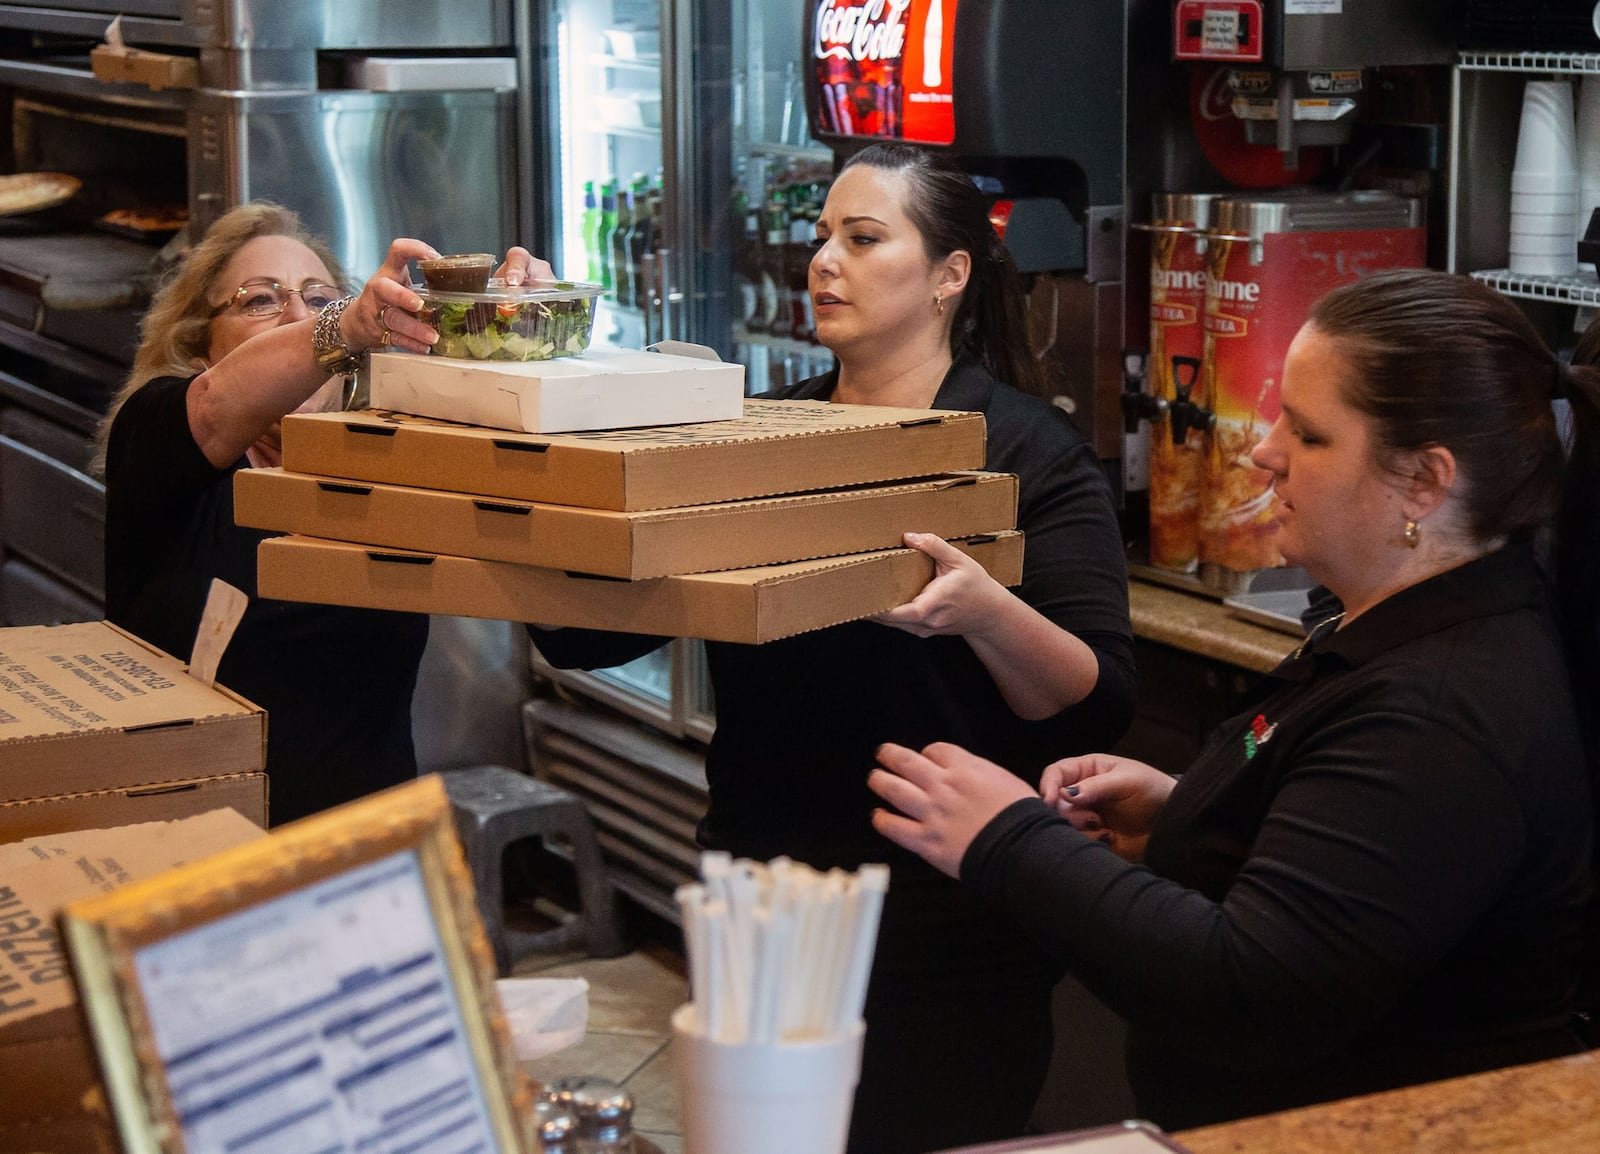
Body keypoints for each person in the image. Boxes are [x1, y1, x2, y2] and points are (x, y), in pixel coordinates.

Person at [867, 268, 1600, 1131]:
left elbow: (1246, 992)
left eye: (1311, 434)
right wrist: (1193, 820)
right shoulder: (1391, 628)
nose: (1263, 449)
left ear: (1424, 482)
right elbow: (1352, 870)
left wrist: (1007, 840)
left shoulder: (1440, 715)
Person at [512, 143, 1135, 1154]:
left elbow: (1094, 699)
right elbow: (577, 633)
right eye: (819, 239)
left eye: (863, 236)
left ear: (949, 274)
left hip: (948, 920)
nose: (823, 262)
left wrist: (981, 610)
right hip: (761, 902)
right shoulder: (763, 432)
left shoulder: (1023, 451)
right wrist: (544, 399)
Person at [98, 203, 545, 824]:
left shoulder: (388, 466)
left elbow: (568, 619)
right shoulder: (157, 442)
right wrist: (344, 325)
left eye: (320, 298)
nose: (297, 314)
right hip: (189, 857)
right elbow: (215, 407)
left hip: (361, 866)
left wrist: (526, 346)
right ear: (201, 347)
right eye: (259, 300)